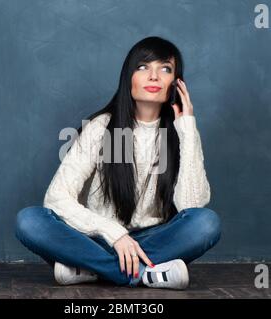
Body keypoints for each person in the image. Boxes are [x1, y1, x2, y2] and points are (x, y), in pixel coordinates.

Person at [16, 36, 221, 290]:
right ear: (129, 78)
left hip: (154, 240)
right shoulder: (101, 127)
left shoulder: (181, 133)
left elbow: (191, 207)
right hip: (98, 238)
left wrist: (188, 129)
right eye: (144, 67)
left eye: (165, 69)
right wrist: (115, 235)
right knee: (30, 221)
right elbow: (57, 198)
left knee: (206, 223)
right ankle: (145, 274)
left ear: (176, 83)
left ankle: (91, 269)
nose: (154, 76)